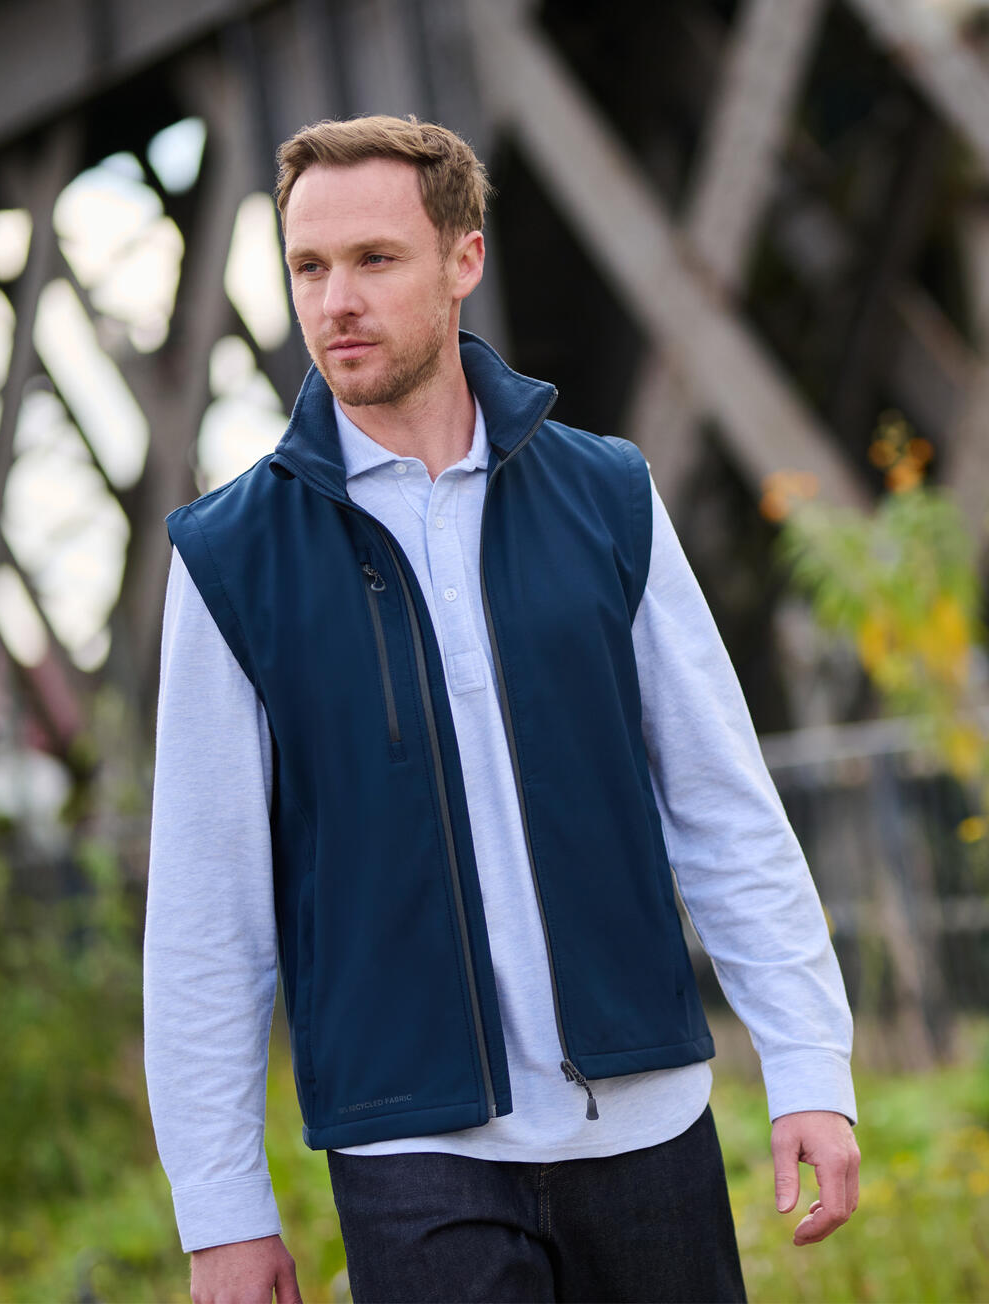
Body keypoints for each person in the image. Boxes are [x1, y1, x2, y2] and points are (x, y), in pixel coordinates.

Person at [144, 114, 860, 1304]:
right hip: (411, 1152)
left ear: (461, 259)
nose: (335, 301)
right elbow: (207, 912)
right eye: (308, 267)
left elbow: (721, 804)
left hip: (645, 1125)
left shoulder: (607, 495)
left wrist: (808, 1062)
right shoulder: (229, 558)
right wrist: (219, 1207)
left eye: (374, 259)